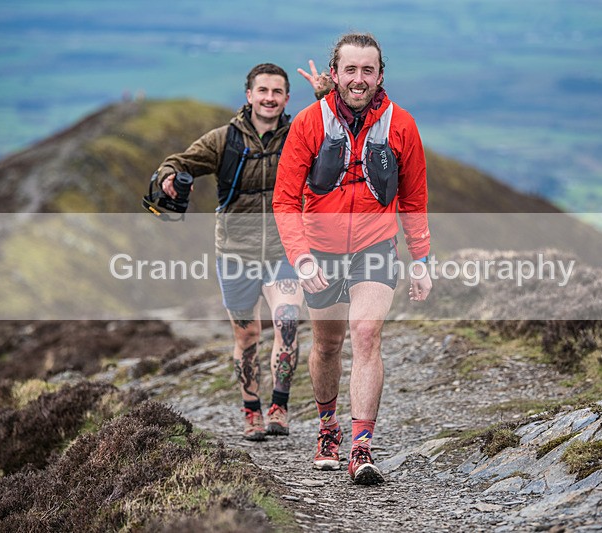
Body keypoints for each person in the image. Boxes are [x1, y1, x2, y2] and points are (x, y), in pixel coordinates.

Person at [273, 33, 433, 485]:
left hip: (375, 246)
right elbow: (285, 201)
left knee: (366, 334)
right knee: (327, 344)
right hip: (319, 251)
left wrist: (420, 260)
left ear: (380, 75)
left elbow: (414, 197)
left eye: (368, 70)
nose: (359, 79)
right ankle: (328, 429)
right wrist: (301, 258)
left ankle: (361, 447)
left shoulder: (403, 125)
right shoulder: (308, 123)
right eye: (351, 70)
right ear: (336, 75)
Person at [155, 62, 331, 441]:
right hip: (236, 252)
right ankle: (251, 411)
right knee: (247, 336)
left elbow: (338, 133)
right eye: (262, 91)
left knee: (286, 321)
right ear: (249, 95)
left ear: (286, 98)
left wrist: (325, 95)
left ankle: (279, 407)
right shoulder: (224, 140)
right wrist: (169, 177)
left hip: (287, 248)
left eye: (277, 92)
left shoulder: (300, 132)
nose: (269, 98)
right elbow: (182, 162)